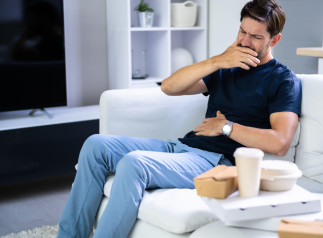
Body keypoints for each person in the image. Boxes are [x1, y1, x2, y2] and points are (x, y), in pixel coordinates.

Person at [57, 0, 301, 237]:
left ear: (274, 39)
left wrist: (225, 127)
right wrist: (217, 61)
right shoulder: (227, 65)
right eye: (242, 31)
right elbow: (169, 87)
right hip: (183, 147)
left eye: (256, 37)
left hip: (218, 162)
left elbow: (280, 142)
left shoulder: (282, 80)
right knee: (95, 145)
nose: (245, 41)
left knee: (135, 163)